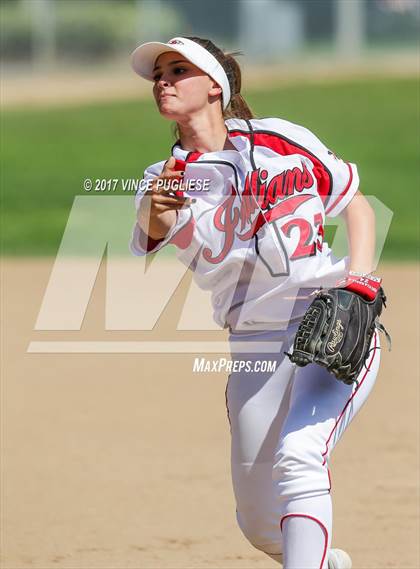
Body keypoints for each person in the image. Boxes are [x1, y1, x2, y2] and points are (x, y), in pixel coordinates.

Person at [129, 36, 382, 569]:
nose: (163, 81)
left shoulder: (282, 139)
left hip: (329, 318)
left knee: (299, 458)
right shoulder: (163, 180)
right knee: (259, 522)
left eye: (178, 70)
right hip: (254, 345)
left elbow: (356, 204)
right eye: (159, 74)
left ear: (215, 85)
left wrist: (359, 280)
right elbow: (157, 228)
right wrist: (158, 209)